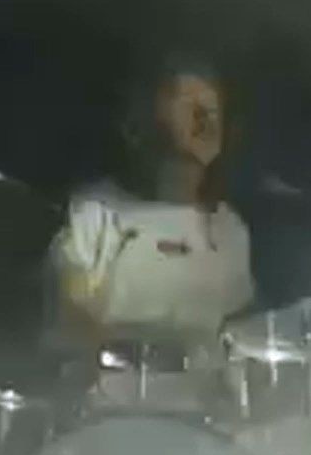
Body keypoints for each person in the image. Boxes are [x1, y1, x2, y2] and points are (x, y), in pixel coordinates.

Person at [46, 56, 254, 409]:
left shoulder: (230, 230)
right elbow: (70, 322)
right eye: (189, 105)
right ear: (140, 122)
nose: (205, 119)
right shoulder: (95, 214)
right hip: (108, 414)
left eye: (213, 108)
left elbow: (245, 340)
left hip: (204, 423)